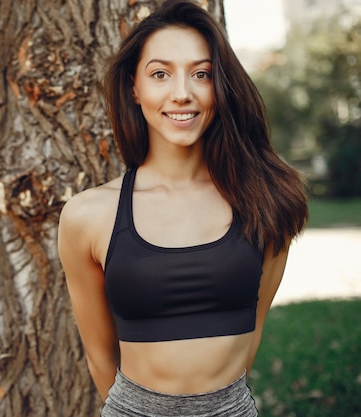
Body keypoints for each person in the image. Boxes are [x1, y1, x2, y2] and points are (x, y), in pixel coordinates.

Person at [57, 0, 308, 415]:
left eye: (201, 74)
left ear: (221, 85)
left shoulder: (268, 200)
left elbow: (254, 325)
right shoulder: (88, 216)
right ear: (135, 88)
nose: (181, 93)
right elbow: (99, 355)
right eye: (160, 74)